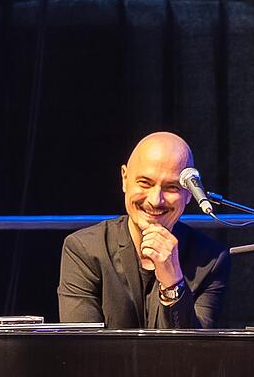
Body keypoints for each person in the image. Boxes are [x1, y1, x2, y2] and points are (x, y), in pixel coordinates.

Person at [58, 132, 230, 329]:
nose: (156, 199)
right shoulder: (85, 249)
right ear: (124, 179)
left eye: (171, 187)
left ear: (189, 193)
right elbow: (81, 347)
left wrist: (173, 283)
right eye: (145, 183)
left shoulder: (211, 260)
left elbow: (195, 351)